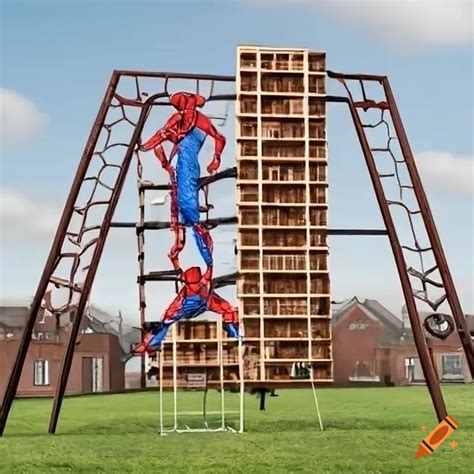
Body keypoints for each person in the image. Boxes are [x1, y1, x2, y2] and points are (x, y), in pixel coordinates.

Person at [140, 92, 226, 270]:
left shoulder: (194, 120)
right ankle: (187, 259)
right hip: (184, 170)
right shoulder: (183, 121)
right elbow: (159, 138)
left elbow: (158, 139)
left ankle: (204, 264)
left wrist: (216, 158)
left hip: (187, 170)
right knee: (185, 219)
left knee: (189, 217)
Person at [132, 264, 239, 354]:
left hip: (204, 303)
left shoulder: (204, 290)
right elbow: (167, 320)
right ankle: (236, 336)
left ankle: (236, 335)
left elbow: (226, 309)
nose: (198, 285)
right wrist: (146, 344)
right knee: (164, 326)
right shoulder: (180, 304)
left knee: (228, 311)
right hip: (187, 310)